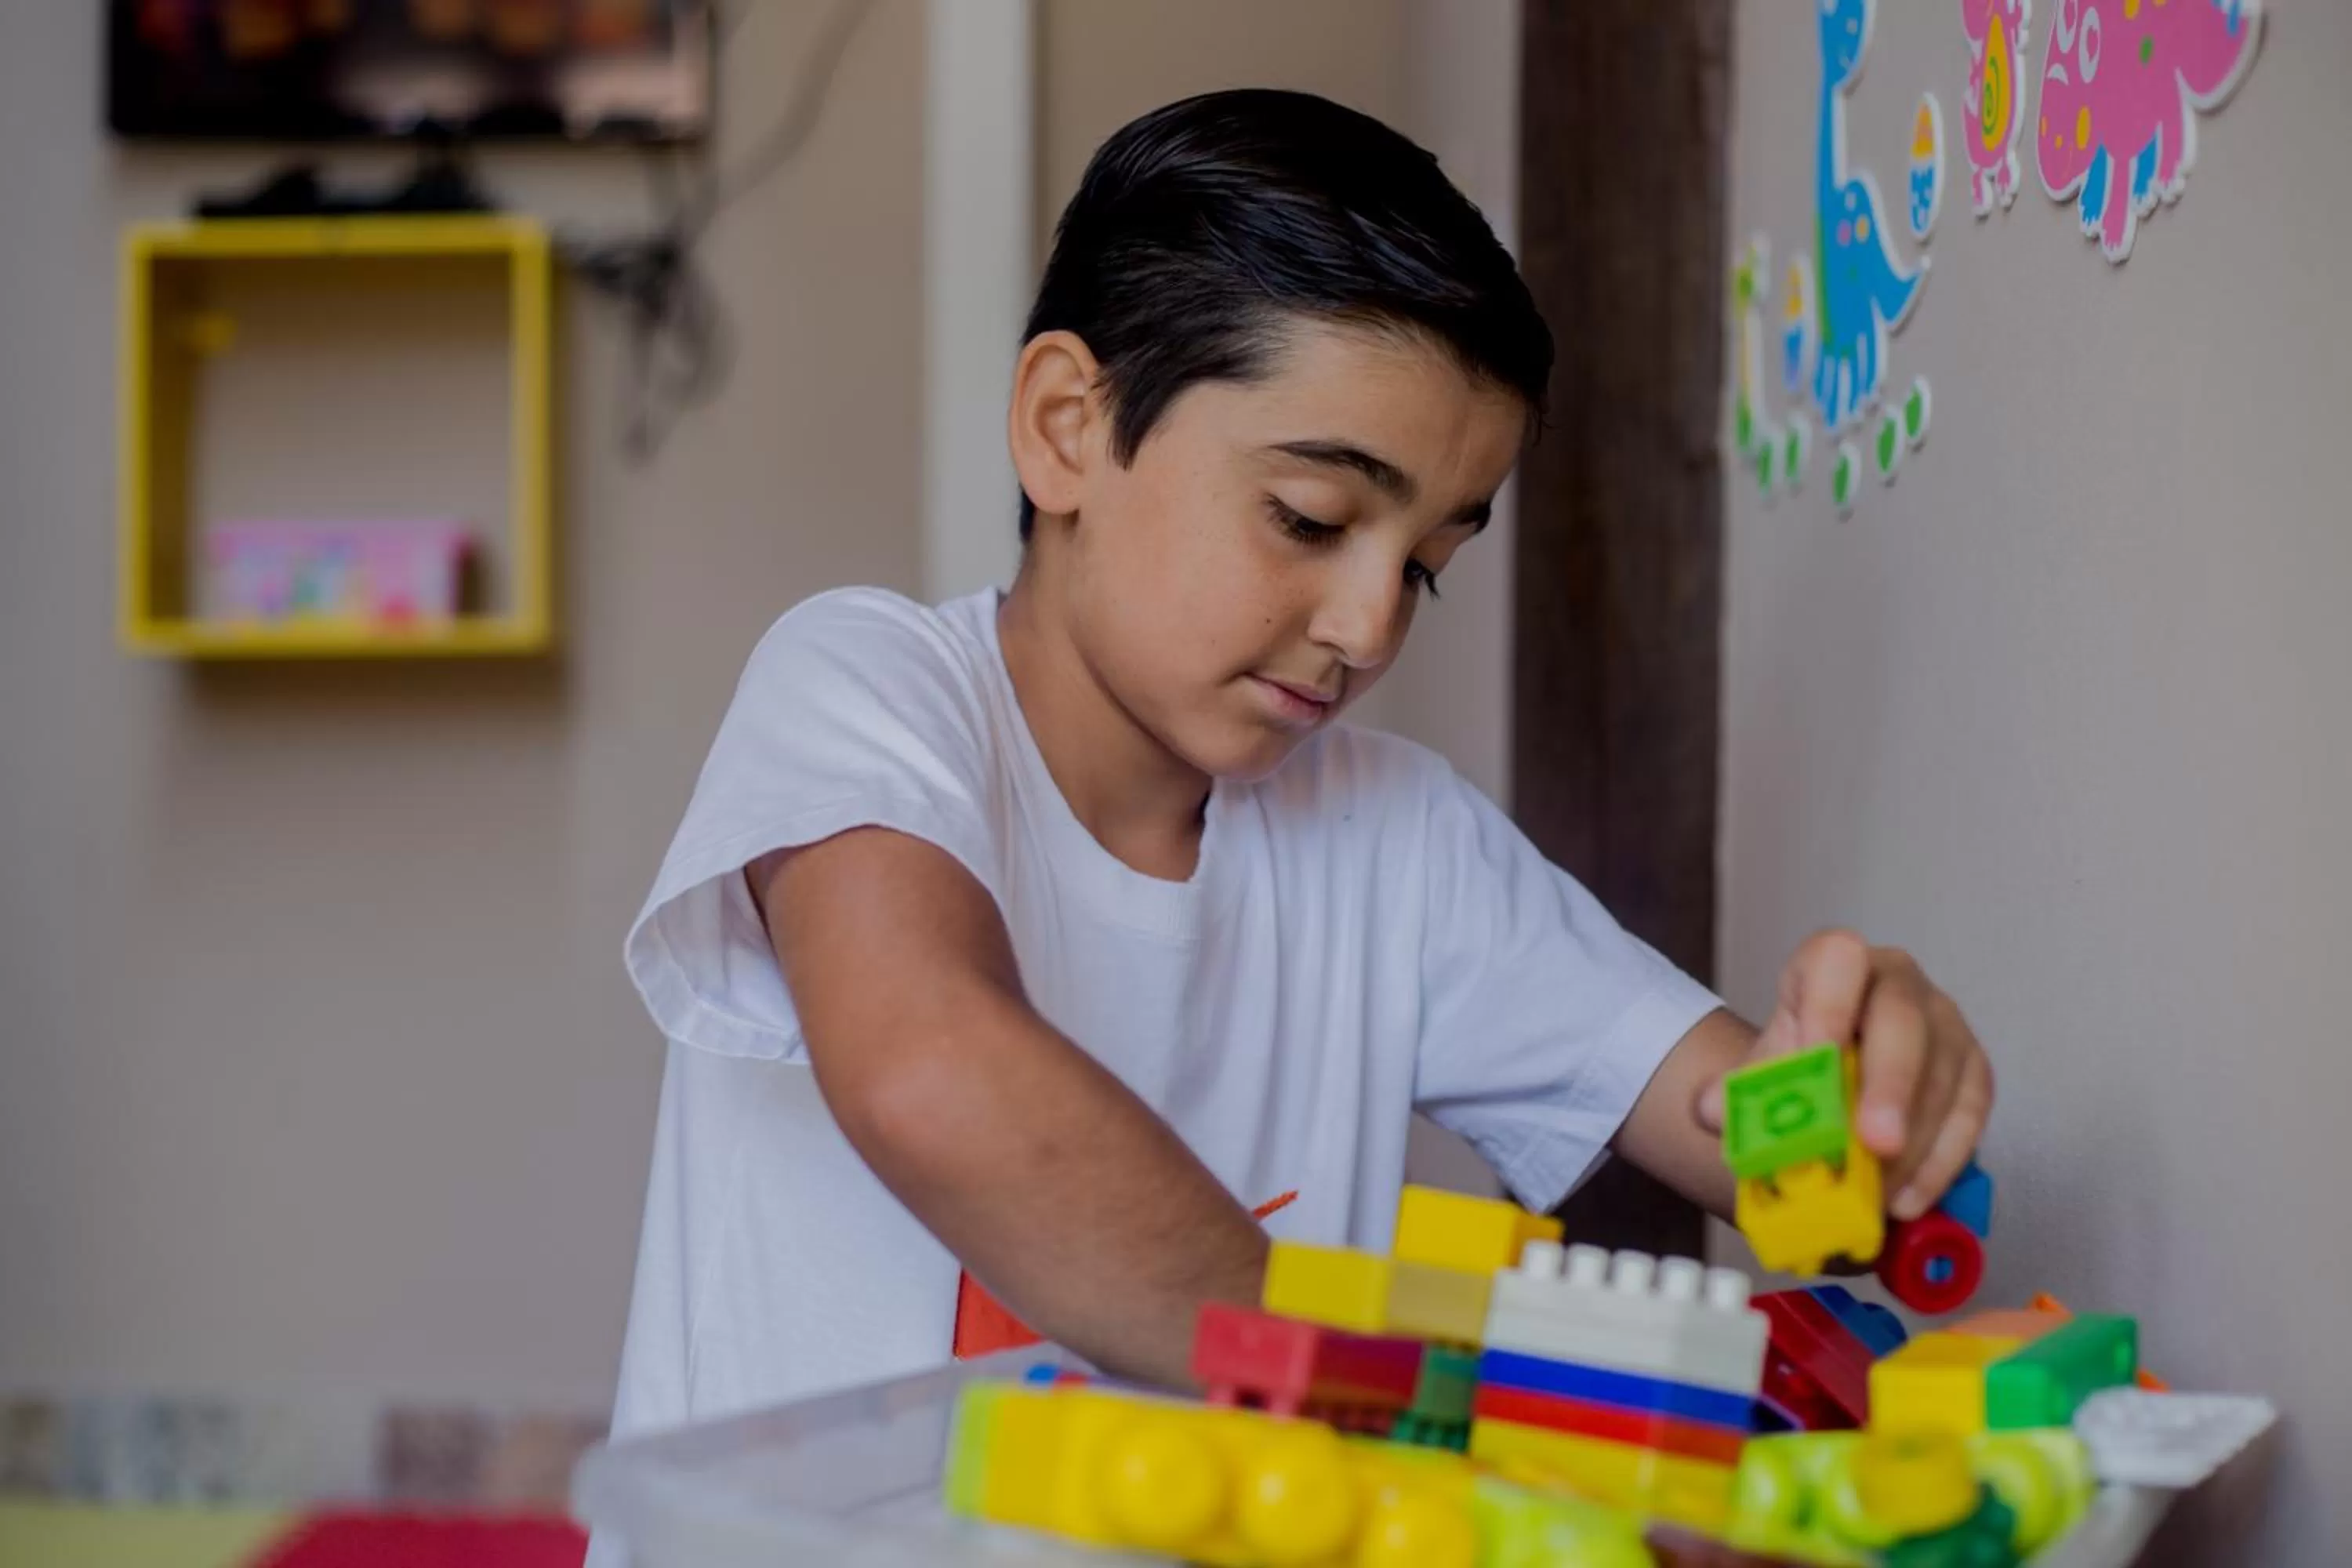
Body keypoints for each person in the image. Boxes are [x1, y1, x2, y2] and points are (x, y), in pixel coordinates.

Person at [603, 87, 1994, 1448]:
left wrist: (1857, 1109)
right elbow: (927, 1072)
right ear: (1068, 428)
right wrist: (1367, 1387)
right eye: (1308, 516)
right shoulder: (867, 690)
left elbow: (1756, 1145)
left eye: (1429, 568)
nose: (1369, 623)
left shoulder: (1397, 841)